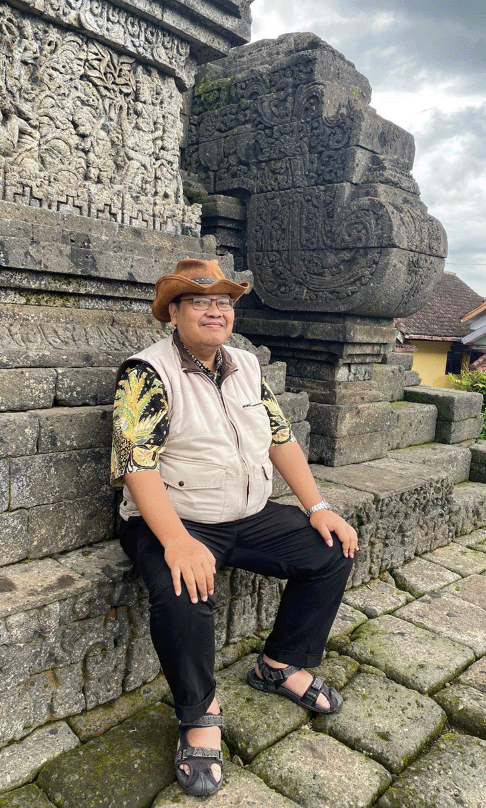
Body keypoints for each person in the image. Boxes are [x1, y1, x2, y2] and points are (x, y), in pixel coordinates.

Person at [111, 258, 358, 797]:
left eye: (223, 302)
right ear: (173, 313)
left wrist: (318, 506)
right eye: (199, 302)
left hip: (247, 513)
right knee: (182, 591)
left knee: (331, 549)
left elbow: (280, 437)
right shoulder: (147, 372)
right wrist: (177, 541)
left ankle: (279, 664)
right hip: (174, 516)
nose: (215, 311)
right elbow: (136, 464)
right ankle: (199, 713)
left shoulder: (245, 364)